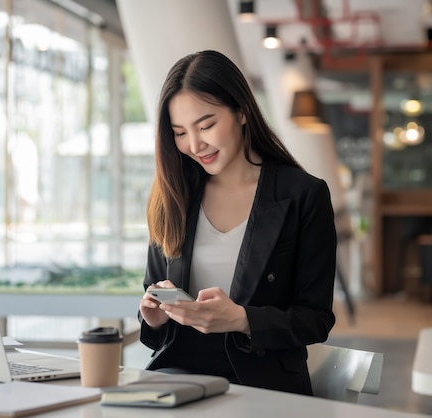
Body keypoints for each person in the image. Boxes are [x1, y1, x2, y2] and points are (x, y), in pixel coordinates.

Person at [138, 50, 337, 395]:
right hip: (179, 380)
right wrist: (153, 316)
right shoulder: (173, 196)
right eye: (180, 132)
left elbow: (315, 320)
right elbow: (154, 299)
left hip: (263, 386)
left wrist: (241, 320)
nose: (195, 144)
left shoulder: (303, 195)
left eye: (207, 125)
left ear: (242, 111)